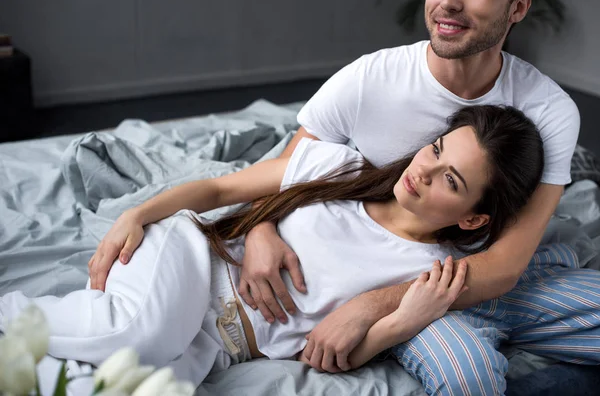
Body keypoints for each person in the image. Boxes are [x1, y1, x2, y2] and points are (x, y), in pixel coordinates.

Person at [88, 0, 600, 394]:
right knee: (467, 372)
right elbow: (284, 177)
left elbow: (504, 266)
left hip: (447, 274)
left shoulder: (548, 109)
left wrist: (370, 309)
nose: (448, 3)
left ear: (518, 6)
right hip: (418, 280)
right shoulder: (369, 81)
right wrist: (259, 228)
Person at [1, 105, 544, 388]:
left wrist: (402, 323)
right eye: (435, 149)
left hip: (218, 346)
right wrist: (138, 214)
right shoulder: (340, 167)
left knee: (126, 388)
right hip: (191, 258)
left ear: (474, 216)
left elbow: (331, 354)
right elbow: (219, 189)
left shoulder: (429, 273)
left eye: (451, 179)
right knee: (139, 331)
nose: (423, 171)